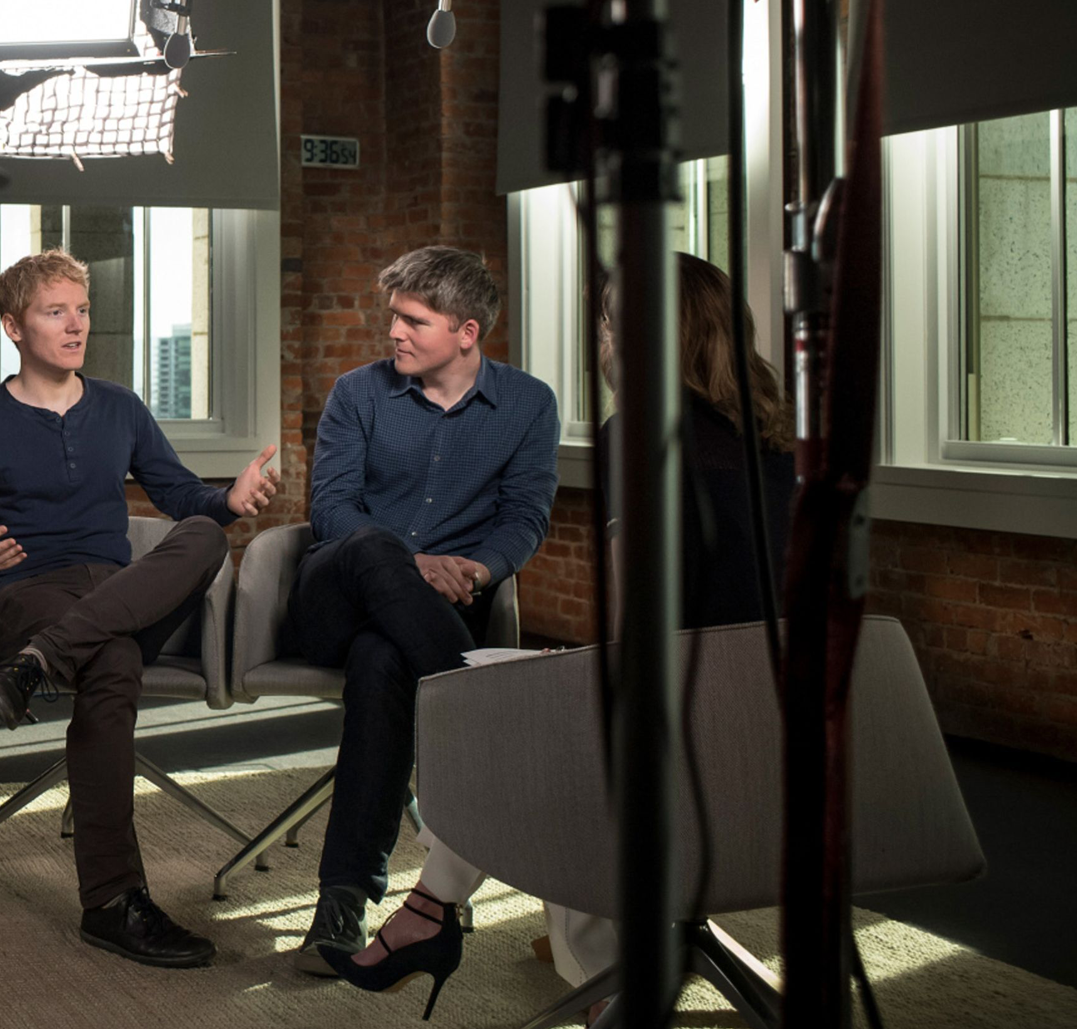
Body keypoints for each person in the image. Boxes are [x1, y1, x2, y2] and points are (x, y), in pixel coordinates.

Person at [321, 252, 798, 1022]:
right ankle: (438, 913)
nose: (601, 345)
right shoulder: (776, 442)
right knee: (518, 699)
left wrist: (566, 667)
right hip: (777, 733)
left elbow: (635, 629)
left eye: (607, 327)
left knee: (515, 721)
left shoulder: (637, 432)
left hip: (687, 728)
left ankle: (573, 977)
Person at [0, 249, 281, 969]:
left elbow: (183, 498)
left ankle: (38, 665)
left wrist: (230, 501)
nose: (75, 325)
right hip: (32, 588)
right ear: (14, 326)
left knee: (204, 537)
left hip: (115, 588)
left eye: (82, 310)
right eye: (54, 311)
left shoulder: (119, 406)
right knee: (114, 658)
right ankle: (114, 902)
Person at [287, 246, 560, 991]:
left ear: (467, 332)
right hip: (335, 594)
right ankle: (492, 717)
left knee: (383, 664)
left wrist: (473, 569)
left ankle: (341, 904)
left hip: (430, 615)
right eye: (394, 317)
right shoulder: (357, 394)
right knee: (372, 543)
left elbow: (525, 517)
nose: (395, 333)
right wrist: (416, 562)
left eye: (414, 320)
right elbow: (331, 510)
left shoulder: (528, 404)